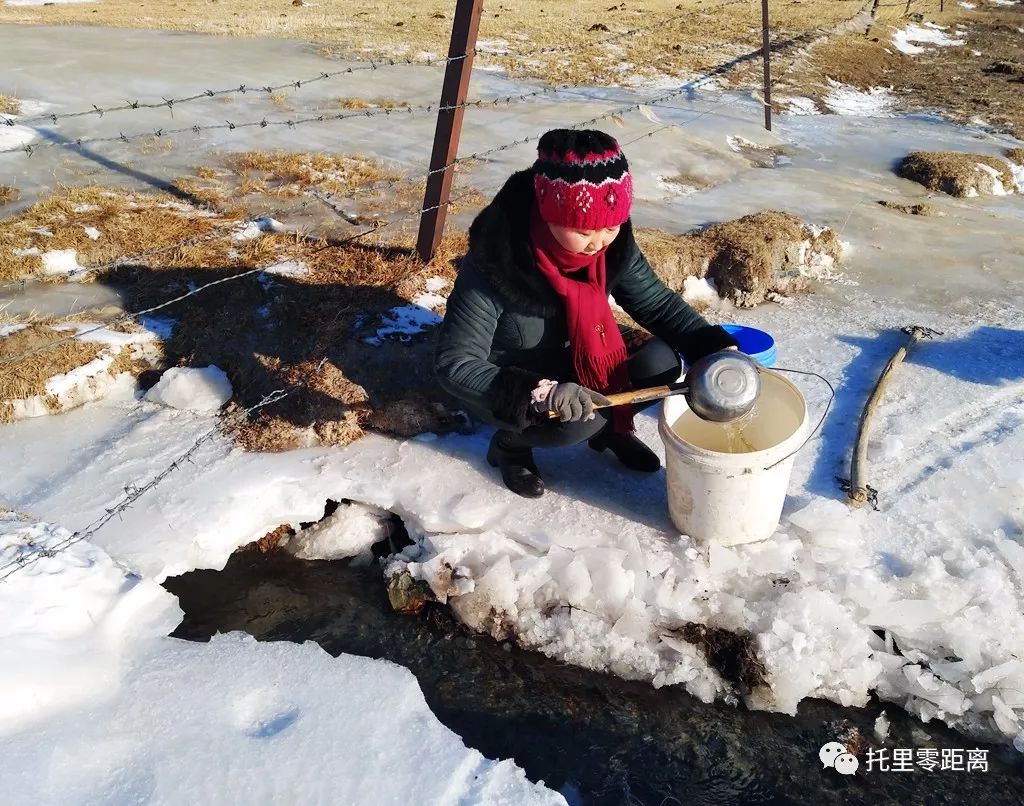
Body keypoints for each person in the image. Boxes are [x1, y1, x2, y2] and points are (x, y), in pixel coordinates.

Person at [435, 129, 738, 498]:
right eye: (583, 230)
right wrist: (538, 393)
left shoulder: (611, 247)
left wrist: (716, 349)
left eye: (610, 226)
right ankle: (510, 446)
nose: (598, 242)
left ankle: (611, 431)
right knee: (580, 419)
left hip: (585, 348)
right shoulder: (497, 261)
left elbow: (657, 304)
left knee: (659, 362)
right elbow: (456, 362)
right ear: (548, 214)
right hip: (519, 374)